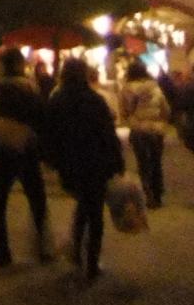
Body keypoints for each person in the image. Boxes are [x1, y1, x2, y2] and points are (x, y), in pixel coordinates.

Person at [45, 58, 125, 283]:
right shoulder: (94, 99)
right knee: (94, 211)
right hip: (95, 161)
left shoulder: (57, 100)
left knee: (83, 203)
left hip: (69, 162)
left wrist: (52, 160)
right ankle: (91, 261)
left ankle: (77, 252)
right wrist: (117, 161)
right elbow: (107, 133)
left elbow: (49, 132)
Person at [0, 47, 48, 267]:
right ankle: (43, 247)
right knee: (37, 199)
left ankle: (2, 254)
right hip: (26, 149)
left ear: (3, 66)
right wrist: (44, 150)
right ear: (20, 65)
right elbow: (41, 120)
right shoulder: (30, 89)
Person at [119, 59, 171, 209]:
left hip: (139, 130)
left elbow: (123, 111)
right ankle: (158, 193)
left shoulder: (126, 89)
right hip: (156, 130)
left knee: (143, 163)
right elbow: (166, 109)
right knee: (156, 161)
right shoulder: (155, 87)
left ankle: (147, 194)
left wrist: (130, 120)